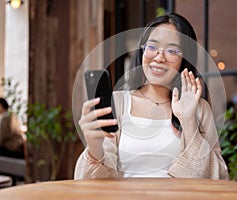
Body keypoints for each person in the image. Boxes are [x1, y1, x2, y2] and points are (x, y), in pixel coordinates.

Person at [74, 13, 228, 179]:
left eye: (172, 51)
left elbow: (217, 176)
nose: (159, 58)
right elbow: (91, 183)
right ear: (142, 51)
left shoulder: (199, 108)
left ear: (184, 59)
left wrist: (189, 120)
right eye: (152, 47)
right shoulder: (118, 103)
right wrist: (94, 149)